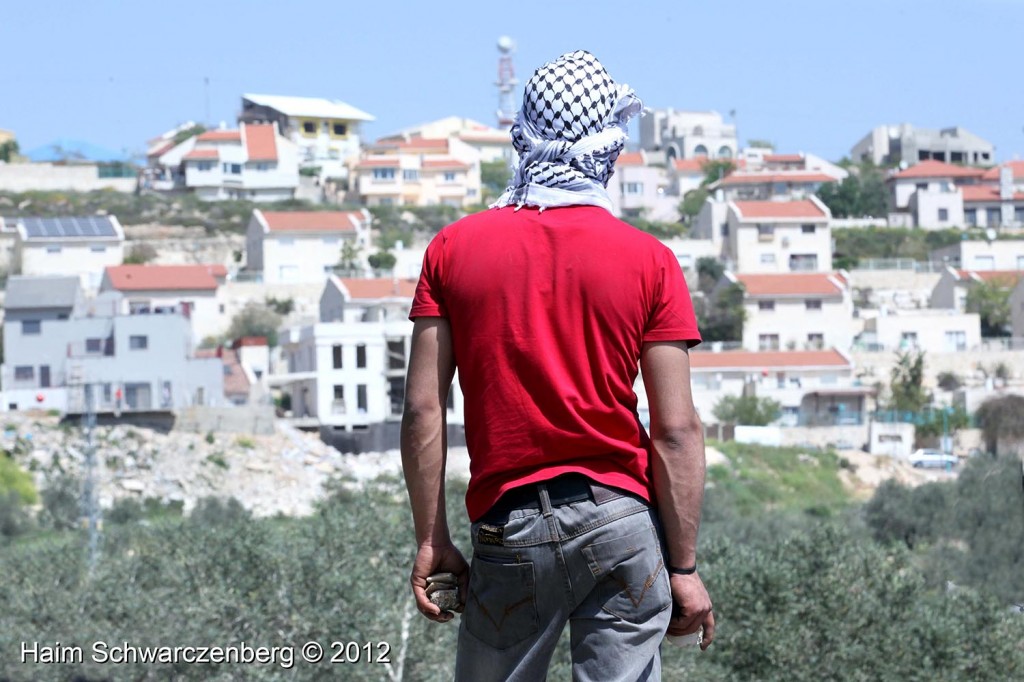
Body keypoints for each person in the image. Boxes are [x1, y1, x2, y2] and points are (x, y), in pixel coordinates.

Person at [401, 49, 714, 681]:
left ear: (524, 139)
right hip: (621, 522)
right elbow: (676, 430)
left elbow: (422, 408)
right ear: (608, 144)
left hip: (508, 528)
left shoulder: (453, 250)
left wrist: (431, 537)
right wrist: (682, 568)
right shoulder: (650, 261)